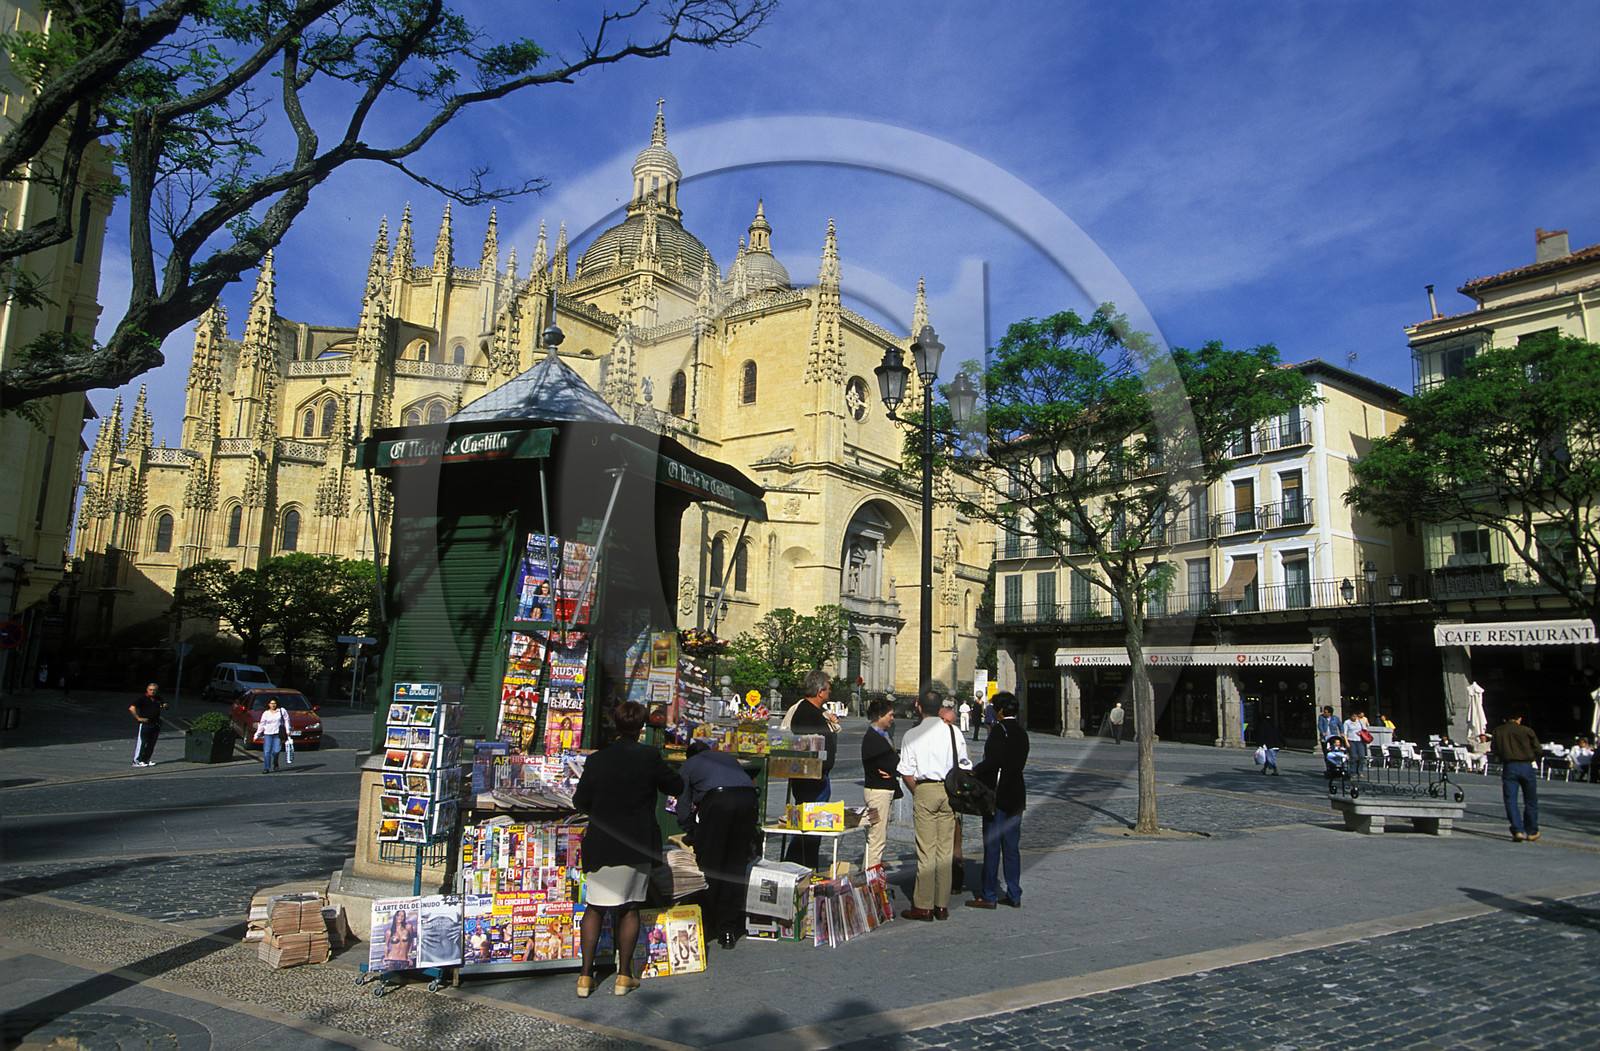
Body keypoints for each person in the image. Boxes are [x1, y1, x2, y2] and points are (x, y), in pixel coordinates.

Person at [572, 701, 683, 996]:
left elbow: (580, 801)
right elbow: (676, 786)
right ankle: (624, 976)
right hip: (635, 842)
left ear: (616, 725)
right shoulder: (649, 756)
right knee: (630, 906)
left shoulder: (597, 760)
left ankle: (585, 977)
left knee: (595, 906)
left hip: (601, 842)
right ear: (641, 727)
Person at [675, 740, 759, 950]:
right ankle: (728, 930)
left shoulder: (689, 764)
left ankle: (708, 924)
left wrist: (689, 828)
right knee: (735, 866)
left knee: (711, 865)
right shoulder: (727, 758)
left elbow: (683, 805)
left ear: (690, 755)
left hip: (719, 803)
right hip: (748, 801)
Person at [896, 687, 971, 921]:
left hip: (925, 788)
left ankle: (924, 905)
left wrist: (917, 790)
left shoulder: (912, 734)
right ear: (940, 708)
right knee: (945, 850)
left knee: (926, 850)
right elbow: (965, 765)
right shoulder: (953, 732)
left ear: (919, 707)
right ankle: (942, 904)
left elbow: (906, 771)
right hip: (948, 791)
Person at [966, 691, 1028, 910]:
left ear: (1000, 710)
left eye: (994, 708)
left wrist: (975, 771)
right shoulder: (1022, 732)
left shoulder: (999, 731)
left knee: (992, 847)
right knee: (1011, 847)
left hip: (998, 794)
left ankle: (989, 894)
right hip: (1017, 792)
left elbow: (993, 761)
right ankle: (1014, 893)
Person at [782, 670, 839, 870]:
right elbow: (806, 748)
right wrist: (818, 772)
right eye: (828, 688)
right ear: (820, 692)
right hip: (813, 780)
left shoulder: (814, 711)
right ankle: (800, 868)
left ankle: (801, 866)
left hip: (816, 777)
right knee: (810, 828)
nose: (830, 692)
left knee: (810, 828)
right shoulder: (806, 712)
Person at [860, 697, 901, 872]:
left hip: (881, 790)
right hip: (878, 792)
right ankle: (872, 879)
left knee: (876, 837)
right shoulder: (874, 738)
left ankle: (868, 875)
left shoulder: (881, 735)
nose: (892, 718)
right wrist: (895, 768)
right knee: (877, 838)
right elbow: (892, 763)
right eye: (889, 715)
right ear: (879, 716)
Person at [1491, 709, 1541, 843]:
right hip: (1526, 766)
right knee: (1530, 800)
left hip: (1509, 766)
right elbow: (1538, 749)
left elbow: (1494, 749)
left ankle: (1517, 830)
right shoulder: (1527, 730)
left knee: (1510, 799)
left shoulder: (1498, 731)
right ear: (1519, 719)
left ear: (1505, 720)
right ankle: (1532, 831)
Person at [130, 682, 166, 767]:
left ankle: (146, 759)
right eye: (150, 690)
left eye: (154, 690)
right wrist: (138, 718)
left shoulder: (157, 698)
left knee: (152, 743)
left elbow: (164, 704)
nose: (152, 691)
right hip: (145, 723)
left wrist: (165, 705)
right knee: (142, 742)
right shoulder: (142, 698)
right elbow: (132, 708)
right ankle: (137, 760)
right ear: (147, 690)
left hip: (155, 724)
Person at [254, 696, 290, 773]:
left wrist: (287, 730)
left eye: (274, 703)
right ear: (269, 704)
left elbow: (286, 720)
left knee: (276, 751)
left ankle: (275, 763)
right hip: (268, 734)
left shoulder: (281, 711)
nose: (273, 705)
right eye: (271, 703)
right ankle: (266, 767)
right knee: (267, 751)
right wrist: (257, 735)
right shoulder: (266, 713)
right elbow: (261, 724)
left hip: (277, 733)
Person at [1343, 710, 1369, 777]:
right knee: (1353, 757)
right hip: (1351, 740)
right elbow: (1345, 733)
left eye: (1356, 716)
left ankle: (1360, 771)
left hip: (1359, 741)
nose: (1355, 718)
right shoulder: (1347, 722)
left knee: (1362, 756)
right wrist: (1346, 742)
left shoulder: (1359, 721)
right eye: (1353, 716)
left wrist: (1361, 733)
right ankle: (1352, 772)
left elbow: (1365, 729)